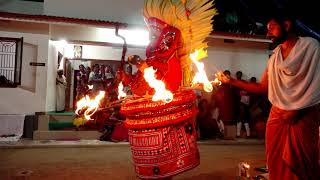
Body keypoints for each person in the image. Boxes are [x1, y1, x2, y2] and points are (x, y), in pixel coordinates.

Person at [218, 14, 320, 179]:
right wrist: (231, 81)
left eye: (272, 28)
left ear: (286, 25)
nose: (268, 34)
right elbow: (263, 87)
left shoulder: (311, 47)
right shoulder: (274, 57)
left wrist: (298, 111)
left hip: (303, 116)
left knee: (304, 165)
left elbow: (316, 86)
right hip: (278, 116)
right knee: (275, 160)